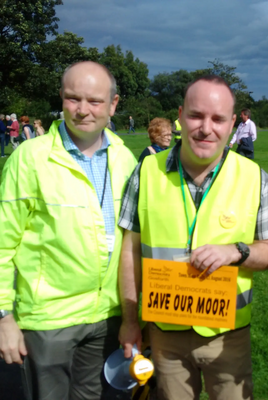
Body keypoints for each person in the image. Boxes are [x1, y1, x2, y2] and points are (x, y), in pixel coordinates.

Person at [118, 75, 268, 400]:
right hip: (163, 333)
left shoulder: (254, 177)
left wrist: (237, 251)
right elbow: (129, 252)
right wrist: (129, 320)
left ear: (232, 123)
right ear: (180, 116)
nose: (207, 128)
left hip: (227, 335)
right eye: (196, 115)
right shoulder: (146, 171)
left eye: (218, 118)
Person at [0, 61, 137, 400]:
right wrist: (3, 317)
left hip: (108, 316)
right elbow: (2, 243)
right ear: (61, 99)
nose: (83, 110)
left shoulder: (126, 159)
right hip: (49, 320)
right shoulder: (29, 158)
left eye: (94, 101)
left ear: (113, 104)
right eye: (73, 99)